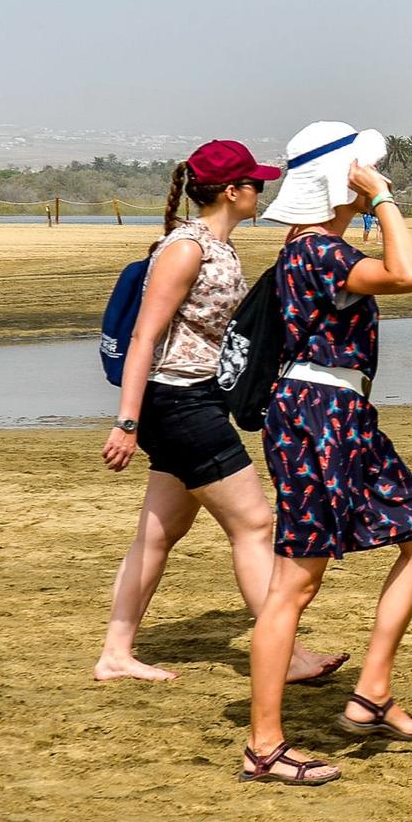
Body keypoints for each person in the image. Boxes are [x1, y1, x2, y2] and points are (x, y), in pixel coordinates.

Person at [240, 122, 412, 787]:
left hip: (344, 414)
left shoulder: (313, 248)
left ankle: (373, 689)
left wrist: (366, 200)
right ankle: (264, 745)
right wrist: (383, 197)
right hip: (316, 416)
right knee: (294, 584)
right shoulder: (317, 253)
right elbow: (409, 273)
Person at [97, 140, 348, 686]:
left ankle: (116, 653)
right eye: (255, 183)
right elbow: (145, 337)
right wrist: (127, 421)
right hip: (179, 402)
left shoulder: (218, 247)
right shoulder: (186, 250)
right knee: (254, 524)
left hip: (191, 399)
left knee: (159, 533)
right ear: (232, 191)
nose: (262, 190)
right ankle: (289, 654)